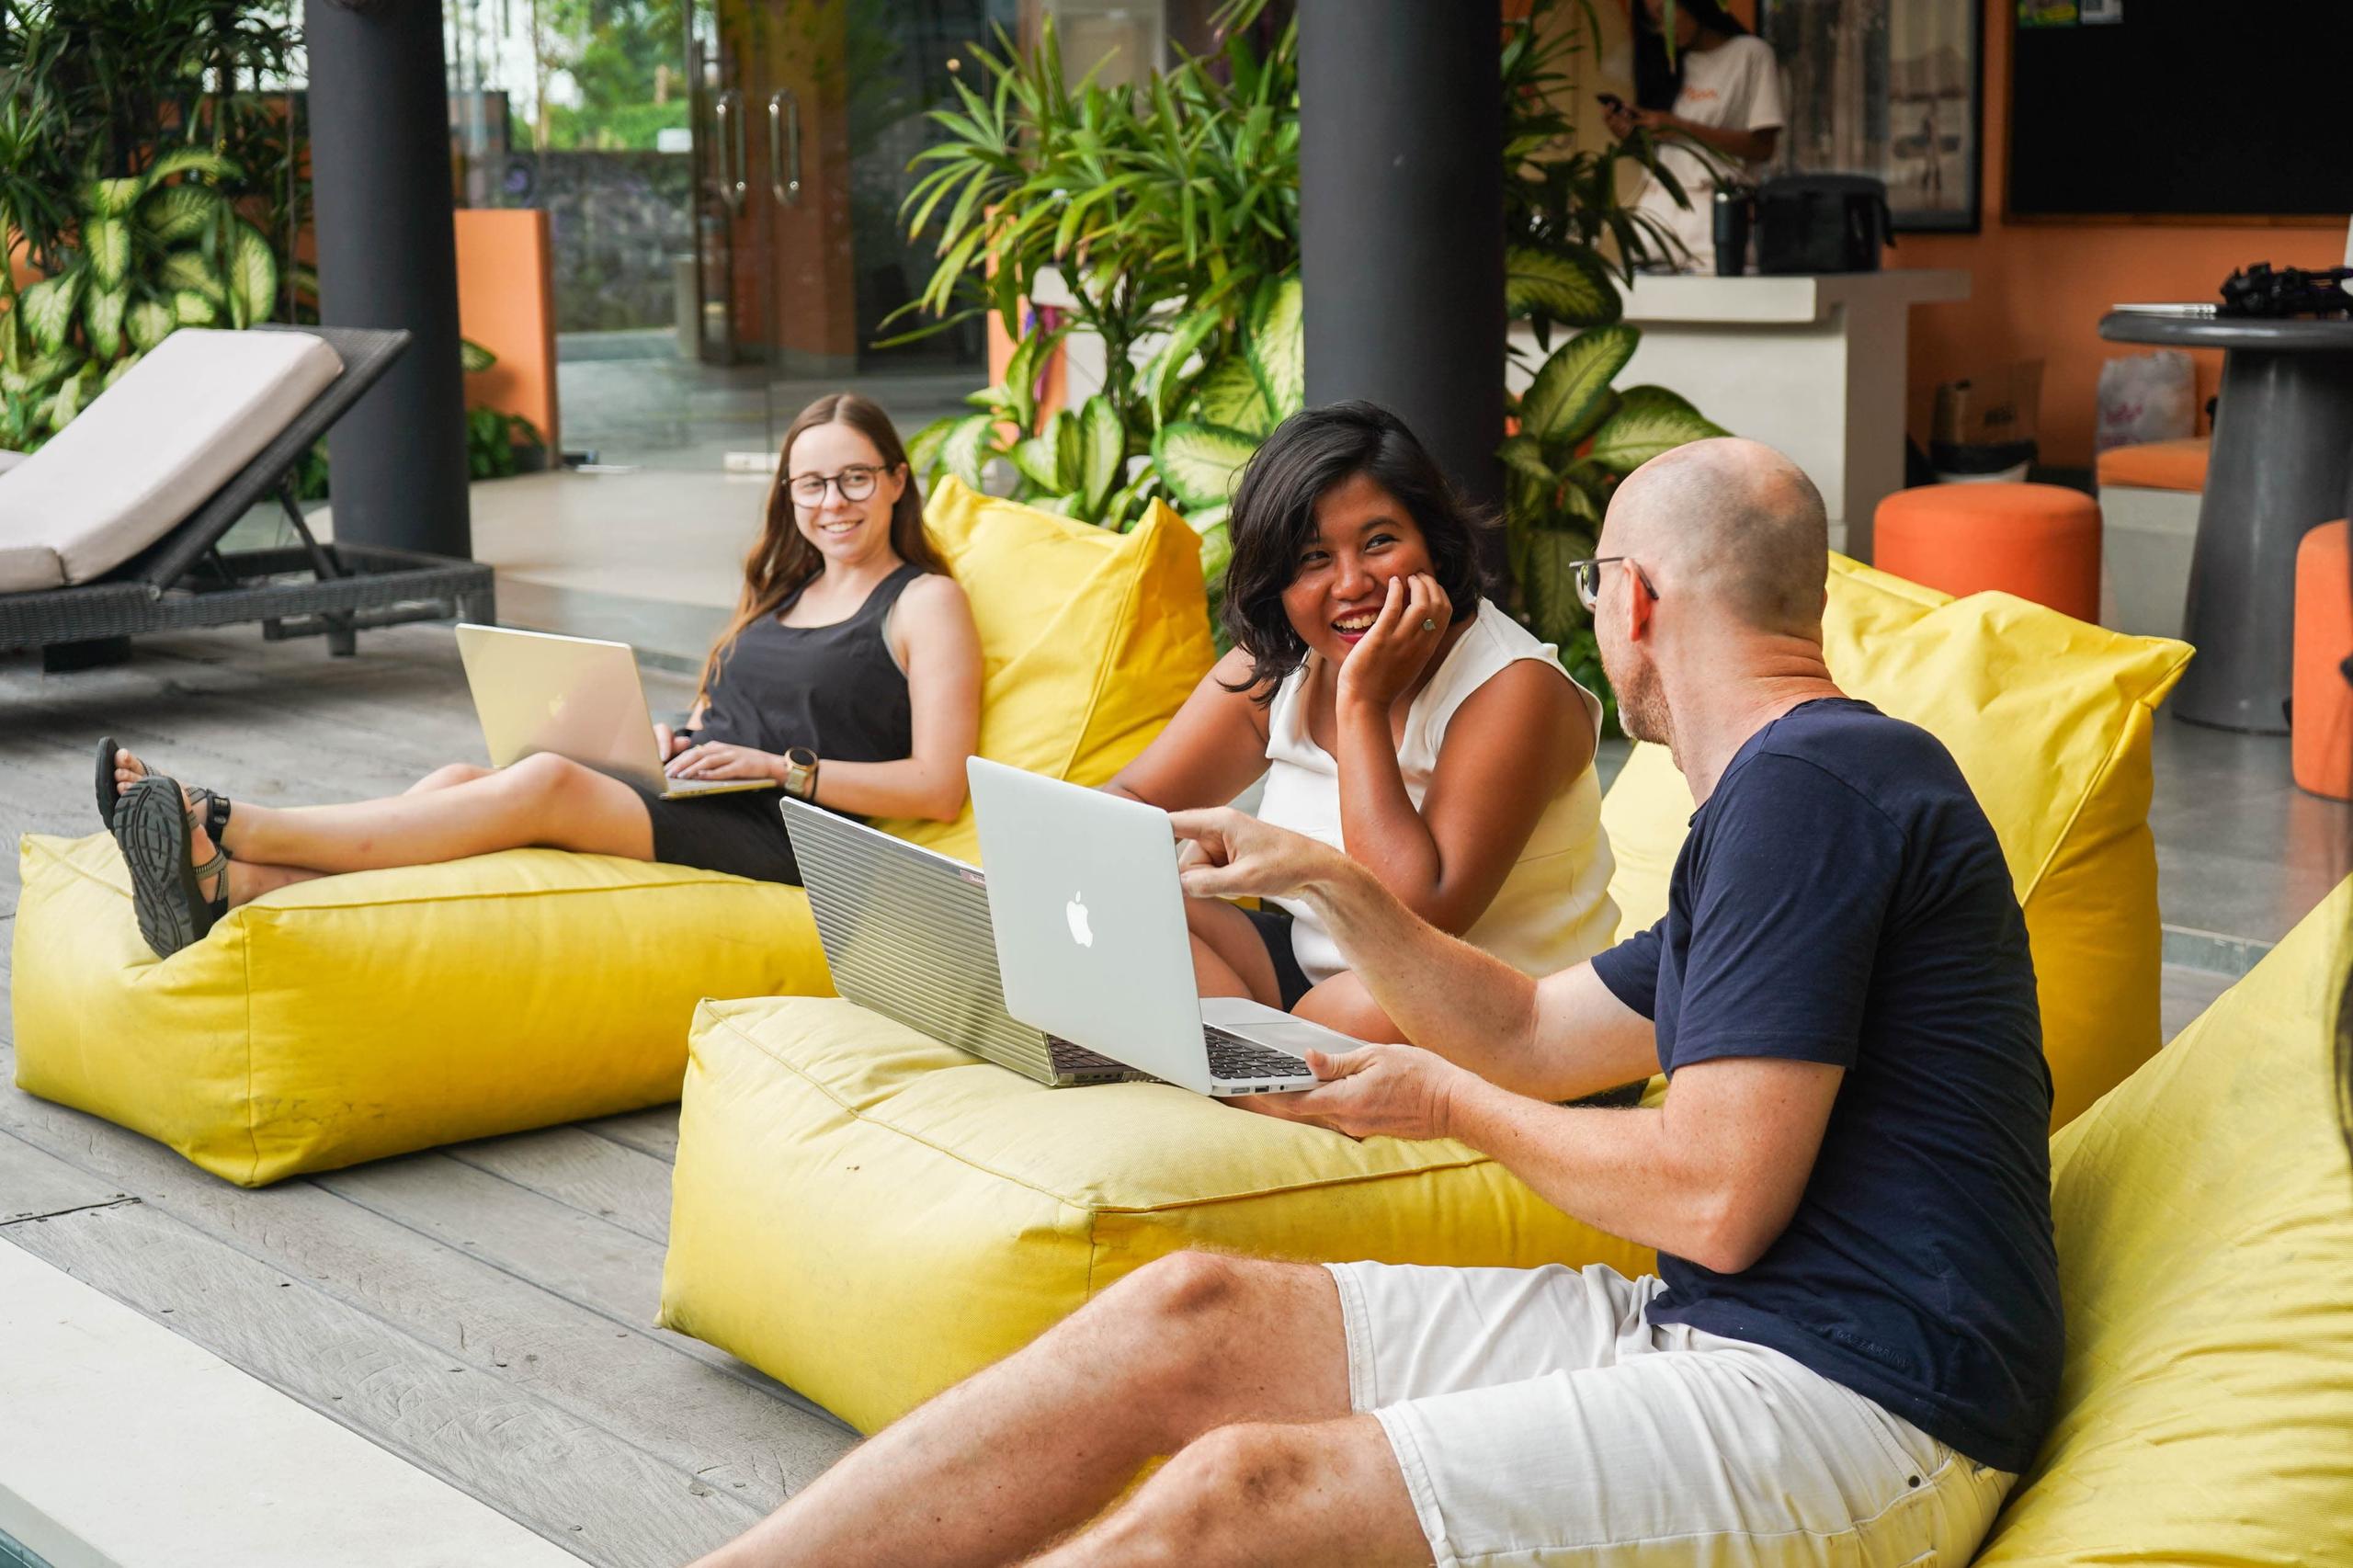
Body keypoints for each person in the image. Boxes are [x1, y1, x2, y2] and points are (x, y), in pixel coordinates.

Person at [686, 437, 2062, 1567]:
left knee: (1240, 1497)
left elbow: (1713, 1193)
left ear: (1632, 597)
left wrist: (1437, 1095)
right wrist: (1331, 886)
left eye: (1595, 585)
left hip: (1859, 1402)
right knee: (1191, 1309)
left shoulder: (1813, 792)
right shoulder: (1792, 800)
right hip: (1718, 1334)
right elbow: (1533, 1028)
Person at [97, 392, 983, 960]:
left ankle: (230, 820)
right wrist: (669, 736)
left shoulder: (923, 602)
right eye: (811, 484)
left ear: (898, 482)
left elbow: (939, 786)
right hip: (700, 791)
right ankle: (237, 890)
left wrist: (781, 768)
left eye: (856, 480)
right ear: (787, 493)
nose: (832, 503)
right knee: (457, 782)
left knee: (546, 782)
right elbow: (727, 713)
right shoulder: (779, 591)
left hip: (794, 834)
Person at [1106, 400, 1616, 1044]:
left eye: (1379, 542)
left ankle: (1249, 1065)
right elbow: (1130, 803)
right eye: (1314, 558)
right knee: (1135, 907)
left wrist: (1362, 704)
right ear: (1279, 581)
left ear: (1431, 540)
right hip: (1320, 981)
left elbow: (1415, 919)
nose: (1352, 584)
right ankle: (1253, 1061)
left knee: (1359, 1008)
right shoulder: (1278, 664)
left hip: (1514, 1015)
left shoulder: (1514, 689)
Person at [1610, 0, 1784, 273]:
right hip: (1657, 205)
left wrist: (1683, 128)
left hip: (1715, 207)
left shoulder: (1750, 55)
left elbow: (1763, 147)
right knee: (1641, 304)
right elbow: (1663, 158)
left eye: (1665, 14)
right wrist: (1631, 137)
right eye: (1652, 20)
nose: (1661, 27)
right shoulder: (1662, 64)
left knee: (1715, 304)